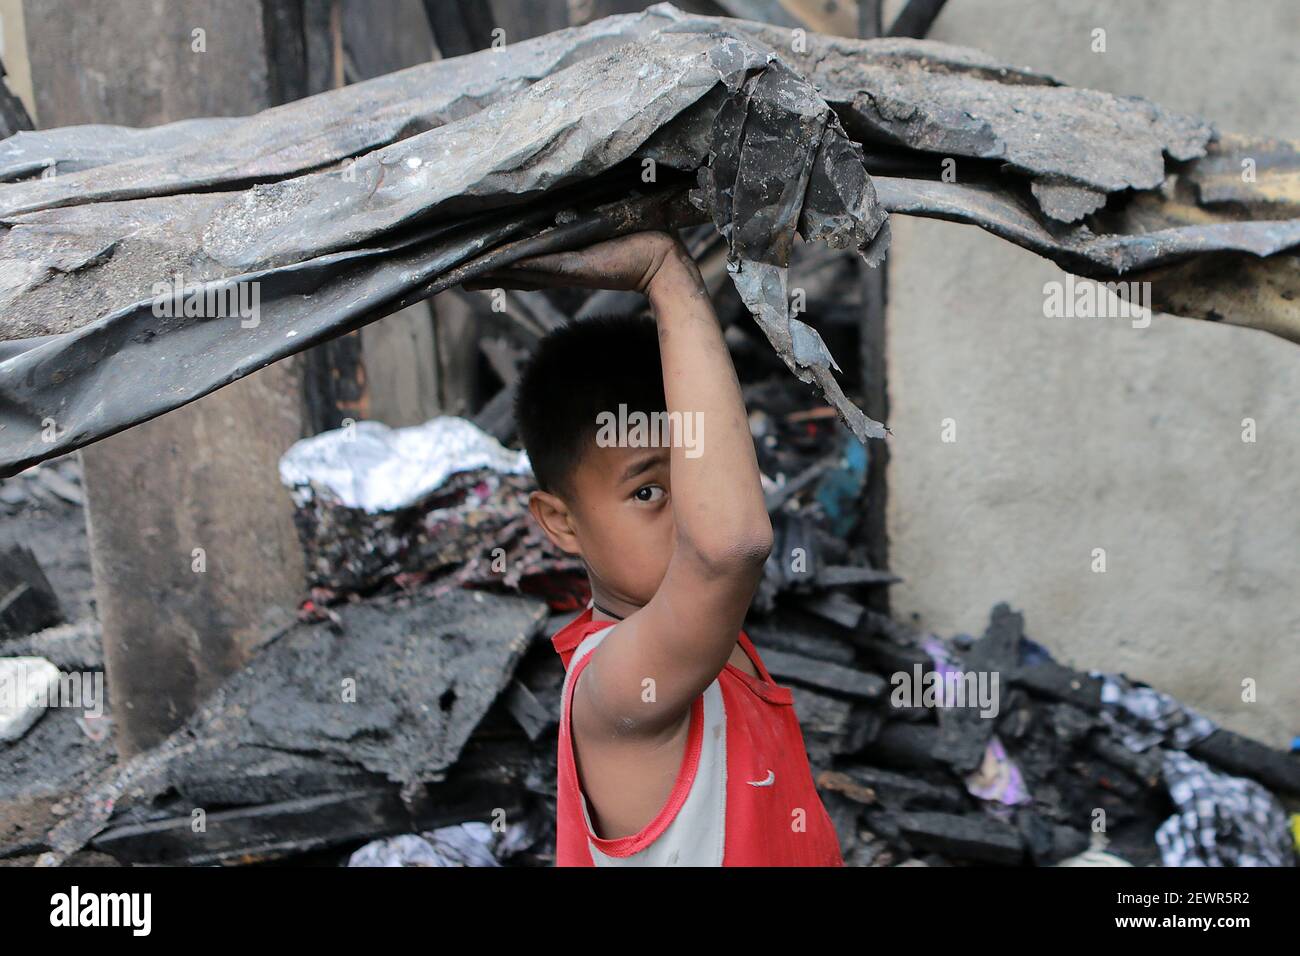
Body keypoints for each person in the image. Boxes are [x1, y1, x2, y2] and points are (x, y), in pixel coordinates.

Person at [485, 231, 843, 866]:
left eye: (698, 478)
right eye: (648, 492)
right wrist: (667, 271)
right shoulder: (615, 689)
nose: (690, 517)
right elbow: (727, 546)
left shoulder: (718, 651)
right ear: (560, 522)